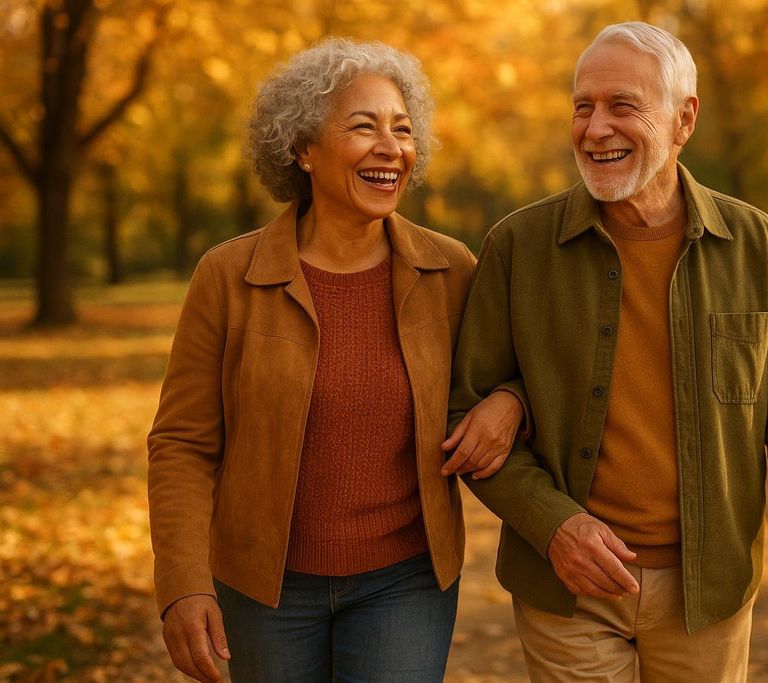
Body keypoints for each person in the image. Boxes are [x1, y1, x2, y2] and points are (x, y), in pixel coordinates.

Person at [447, 21, 768, 683]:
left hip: (708, 594)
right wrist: (552, 525)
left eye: (622, 105)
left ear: (683, 120)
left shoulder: (756, 246)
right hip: (566, 589)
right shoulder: (517, 247)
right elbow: (465, 413)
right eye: (583, 106)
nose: (596, 127)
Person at [148, 38, 525, 683]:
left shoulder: (452, 270)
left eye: (402, 130)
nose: (391, 147)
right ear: (302, 150)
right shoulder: (228, 275)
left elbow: (522, 367)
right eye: (363, 127)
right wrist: (184, 585)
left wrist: (509, 400)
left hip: (405, 583)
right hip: (262, 587)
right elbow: (182, 442)